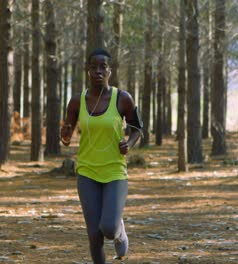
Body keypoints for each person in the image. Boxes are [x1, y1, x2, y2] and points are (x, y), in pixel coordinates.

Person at [60, 48, 142, 263]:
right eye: (93, 66)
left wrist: (129, 144)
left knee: (107, 228)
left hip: (114, 170)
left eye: (103, 66)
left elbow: (137, 129)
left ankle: (119, 230)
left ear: (110, 71)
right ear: (87, 70)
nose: (98, 71)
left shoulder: (122, 99)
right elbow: (67, 136)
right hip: (87, 170)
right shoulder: (77, 101)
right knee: (94, 235)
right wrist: (65, 136)